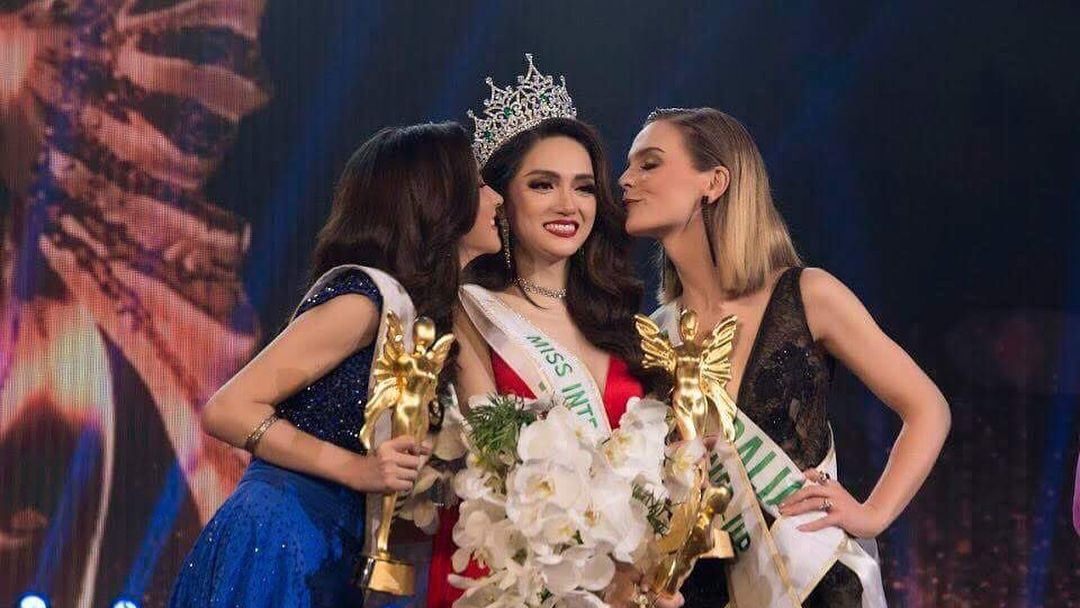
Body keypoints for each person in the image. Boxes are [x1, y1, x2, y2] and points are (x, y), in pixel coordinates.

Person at [620, 107, 951, 607]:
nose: (624, 180)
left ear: (714, 182)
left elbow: (928, 408)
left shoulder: (807, 295)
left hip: (811, 580)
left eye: (649, 164)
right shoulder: (656, 333)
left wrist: (873, 513)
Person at [169, 122, 503, 607]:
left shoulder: (428, 315)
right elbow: (229, 408)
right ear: (437, 200)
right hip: (280, 536)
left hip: (332, 548)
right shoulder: (362, 301)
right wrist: (357, 470)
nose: (496, 199)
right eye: (478, 185)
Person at [425, 55, 677, 608]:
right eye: (543, 185)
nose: (568, 205)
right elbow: (494, 463)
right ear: (498, 198)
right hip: (510, 575)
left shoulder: (624, 326)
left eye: (584, 188)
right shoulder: (471, 310)